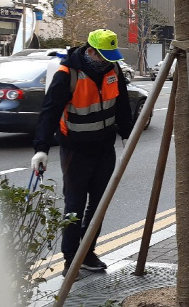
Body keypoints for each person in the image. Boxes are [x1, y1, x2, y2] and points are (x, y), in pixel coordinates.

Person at [30, 29, 133, 277]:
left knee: (98, 206)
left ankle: (87, 253)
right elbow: (50, 111)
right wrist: (41, 148)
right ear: (90, 51)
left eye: (111, 56)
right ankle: (70, 259)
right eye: (103, 56)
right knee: (75, 207)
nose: (108, 60)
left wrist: (128, 135)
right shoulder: (67, 74)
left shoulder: (113, 70)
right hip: (75, 150)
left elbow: (122, 105)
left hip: (104, 149)